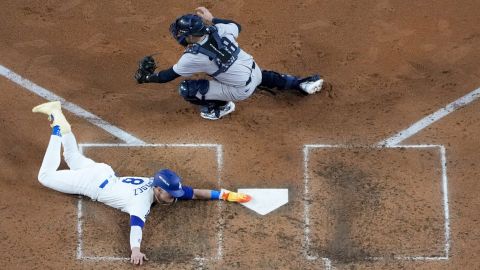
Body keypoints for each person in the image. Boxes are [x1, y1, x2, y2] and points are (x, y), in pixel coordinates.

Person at [32, 101, 252, 265]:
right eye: (169, 194)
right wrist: (135, 250)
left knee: (71, 158)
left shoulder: (163, 187)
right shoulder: (141, 202)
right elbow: (136, 227)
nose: (173, 197)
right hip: (91, 182)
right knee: (46, 176)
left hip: (102, 173)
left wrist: (225, 195)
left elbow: (194, 193)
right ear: (158, 190)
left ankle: (58, 113)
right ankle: (57, 126)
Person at [135, 7, 327, 120]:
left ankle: (220, 107)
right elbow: (237, 26)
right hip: (255, 72)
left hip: (240, 91)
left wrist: (145, 78)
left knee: (187, 89)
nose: (179, 35)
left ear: (191, 35)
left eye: (182, 33)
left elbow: (167, 76)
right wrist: (212, 19)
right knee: (259, 75)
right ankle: (300, 83)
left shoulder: (192, 57)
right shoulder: (218, 29)